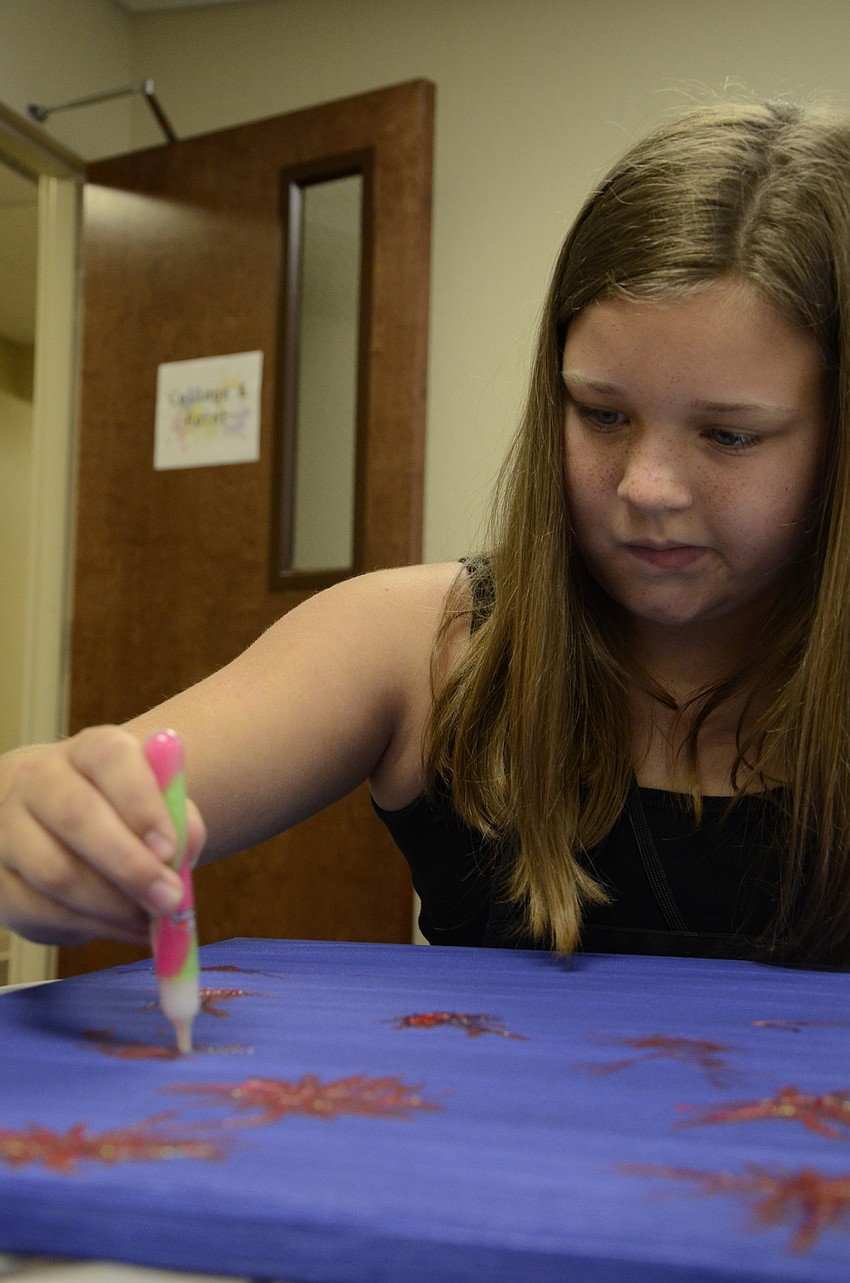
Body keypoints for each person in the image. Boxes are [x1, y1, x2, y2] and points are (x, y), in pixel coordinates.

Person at [1, 98, 849, 968]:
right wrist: (36, 812)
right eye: (601, 413)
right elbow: (111, 793)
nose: (647, 487)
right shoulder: (420, 642)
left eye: (729, 434)